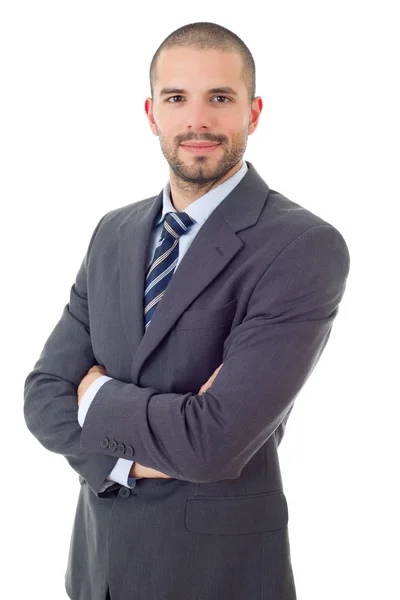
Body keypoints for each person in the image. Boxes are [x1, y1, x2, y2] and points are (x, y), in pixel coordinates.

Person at [23, 21, 350, 600]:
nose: (197, 120)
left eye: (220, 98)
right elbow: (44, 398)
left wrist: (95, 398)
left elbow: (214, 443)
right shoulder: (113, 233)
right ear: (152, 114)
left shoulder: (302, 247)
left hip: (218, 576)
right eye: (177, 98)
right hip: (98, 571)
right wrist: (132, 457)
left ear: (253, 113)